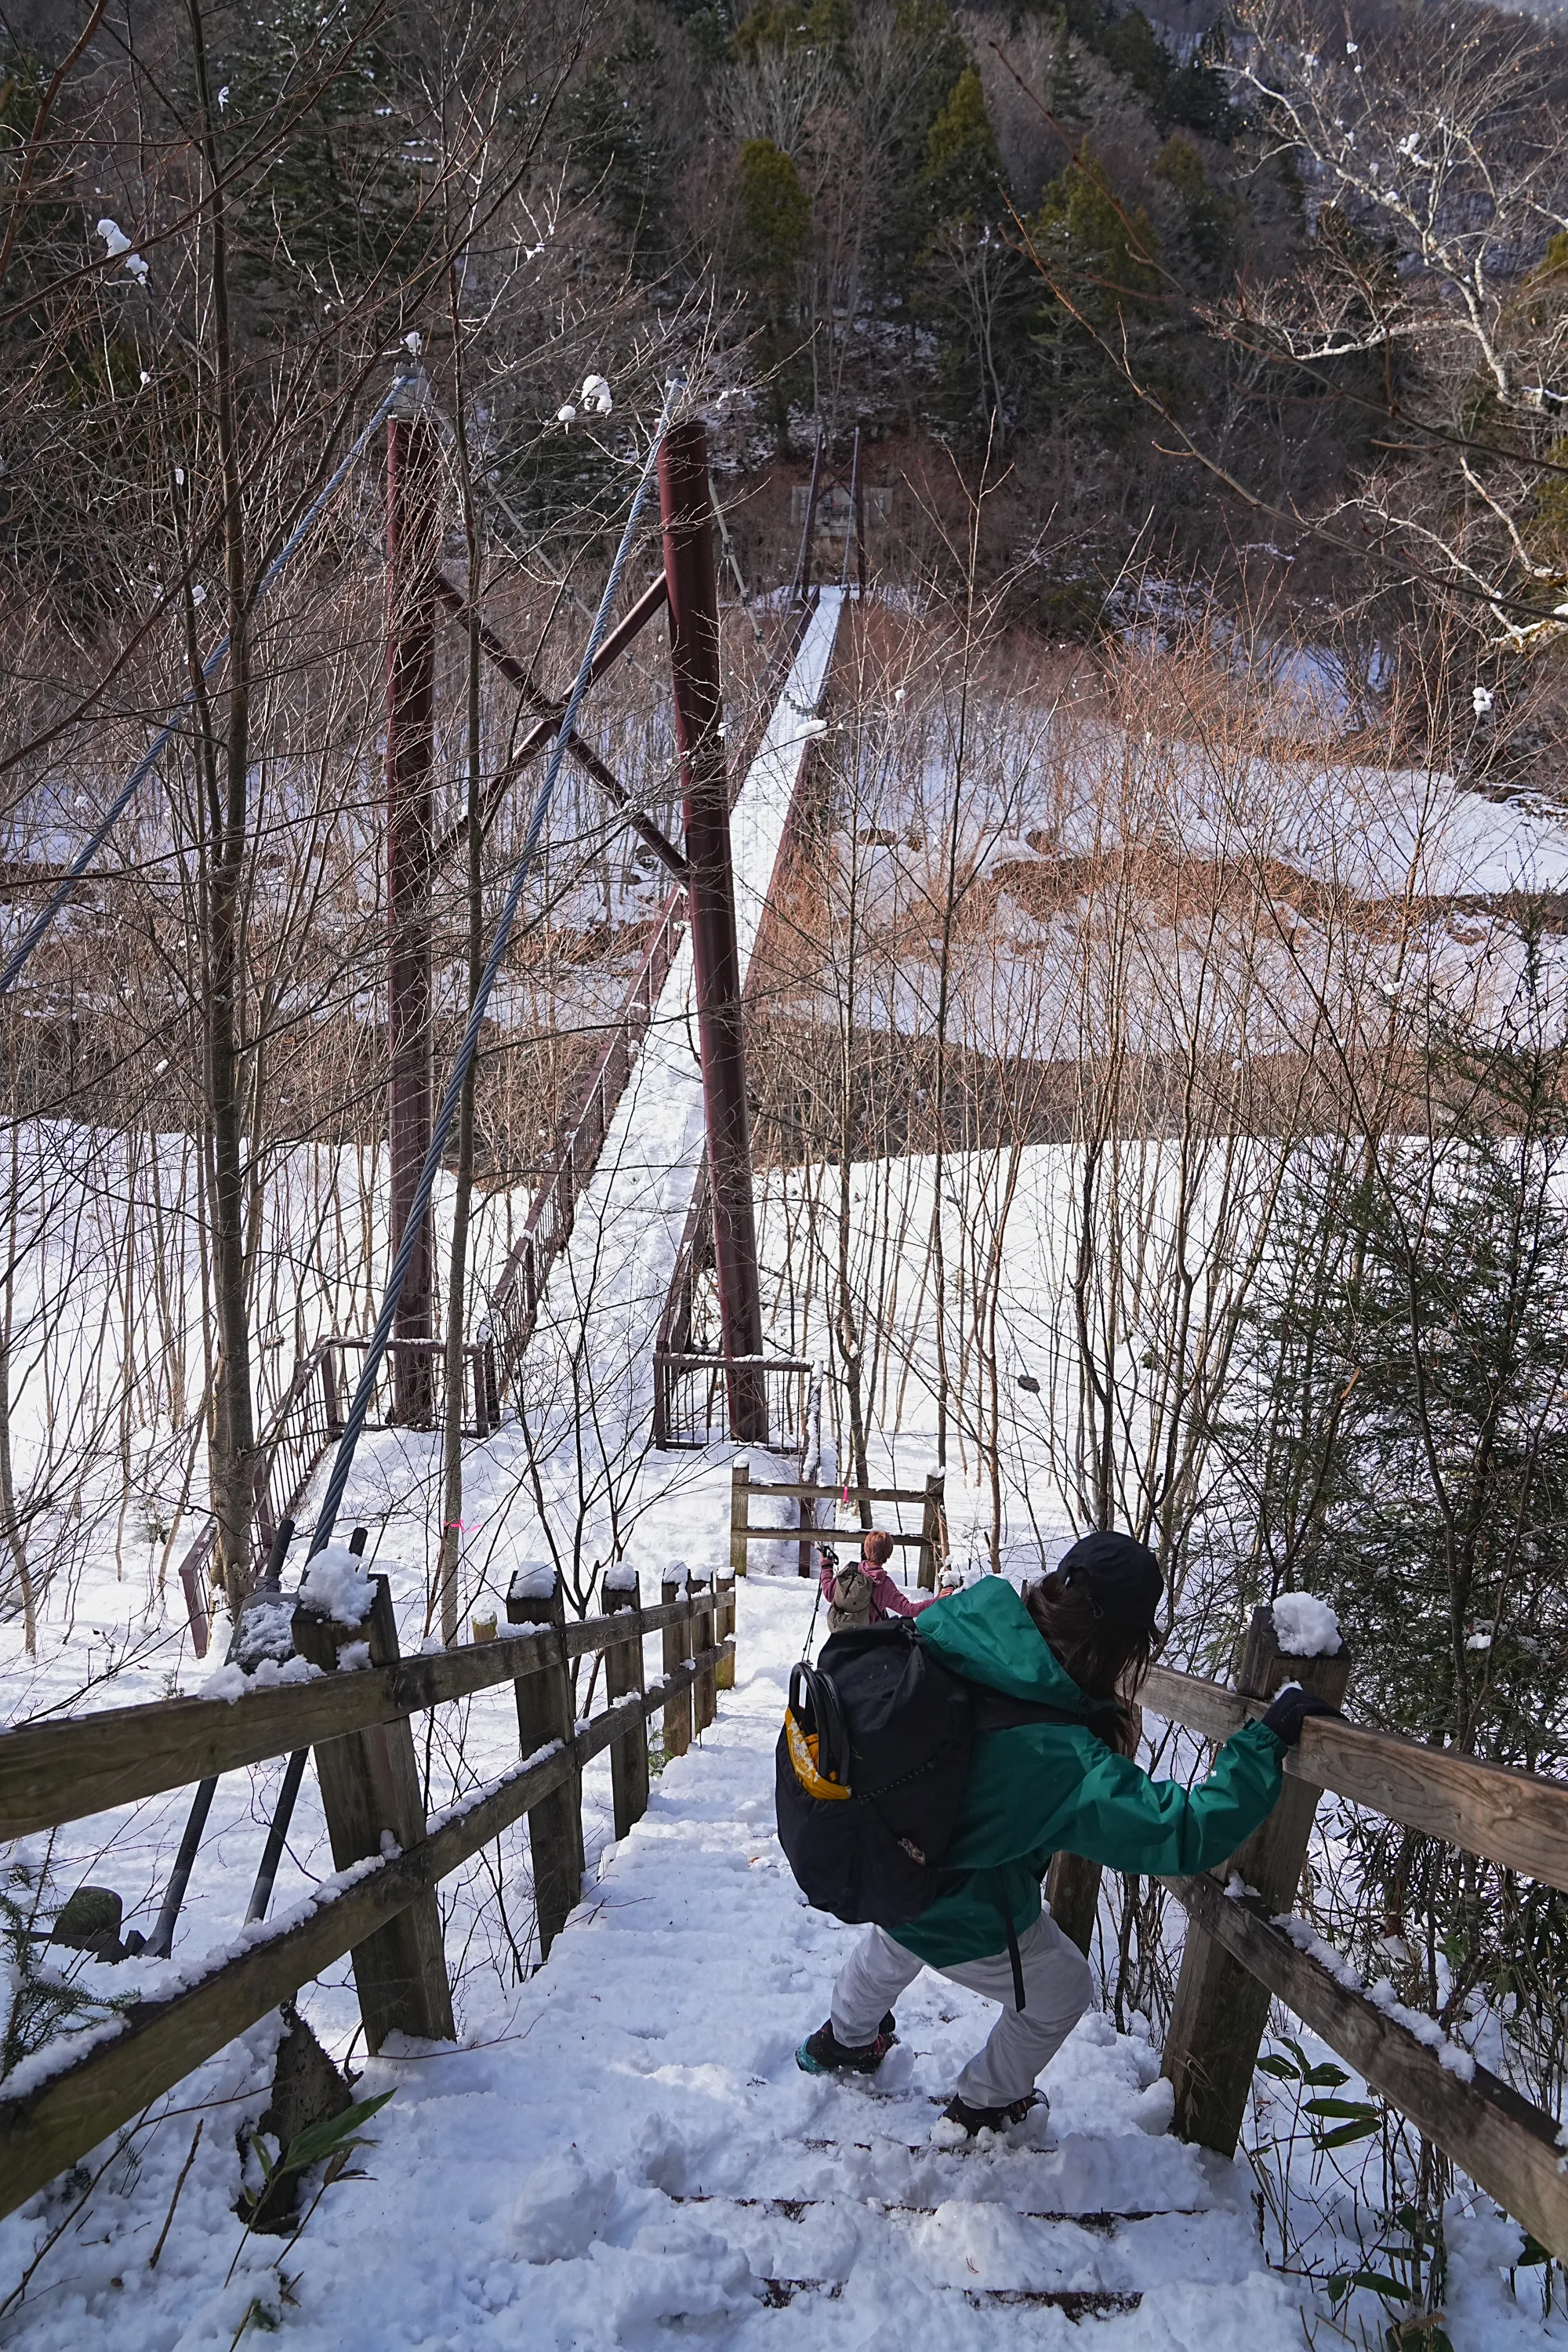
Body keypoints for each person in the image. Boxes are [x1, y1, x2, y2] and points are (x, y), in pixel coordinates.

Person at [796, 1530, 1333, 2136]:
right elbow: (1184, 1832)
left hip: (891, 1847)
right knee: (1063, 1986)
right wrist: (1263, 1745)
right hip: (949, 1886)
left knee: (902, 1927)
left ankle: (843, 2038)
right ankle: (985, 2103)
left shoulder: (973, 1614)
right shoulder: (1063, 1755)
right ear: (1120, 1646)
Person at [819, 1529, 938, 1632]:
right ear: (889, 1554)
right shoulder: (884, 1584)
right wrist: (938, 1600)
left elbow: (829, 1594)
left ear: (866, 1550)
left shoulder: (850, 1569)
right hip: (868, 1640)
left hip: (840, 1635)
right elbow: (909, 1610)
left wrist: (826, 1567)